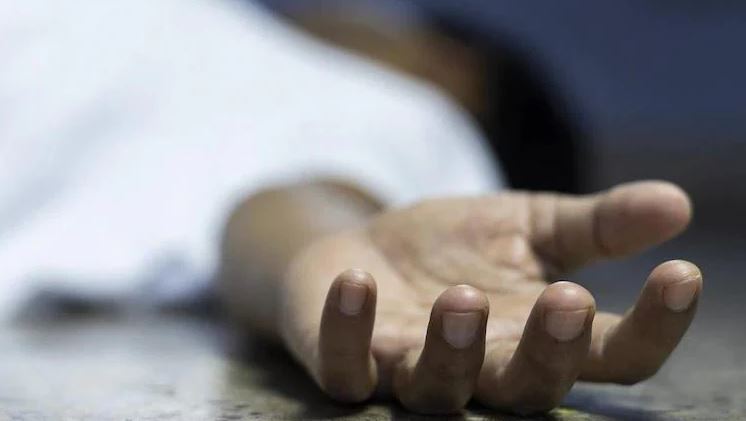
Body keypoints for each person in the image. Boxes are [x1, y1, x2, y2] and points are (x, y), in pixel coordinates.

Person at [0, 0, 701, 415]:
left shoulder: (404, 113)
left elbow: (311, 198)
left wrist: (337, 256)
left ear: (453, 67)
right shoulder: (234, 35)